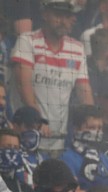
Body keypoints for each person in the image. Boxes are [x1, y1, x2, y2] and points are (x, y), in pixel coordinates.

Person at [10, 0, 94, 154]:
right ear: (45, 15)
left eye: (68, 16)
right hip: (26, 138)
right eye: (58, 15)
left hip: (59, 142)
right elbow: (24, 86)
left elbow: (84, 91)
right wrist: (37, 120)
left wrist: (92, 120)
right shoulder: (27, 41)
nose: (63, 21)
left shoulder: (77, 48)